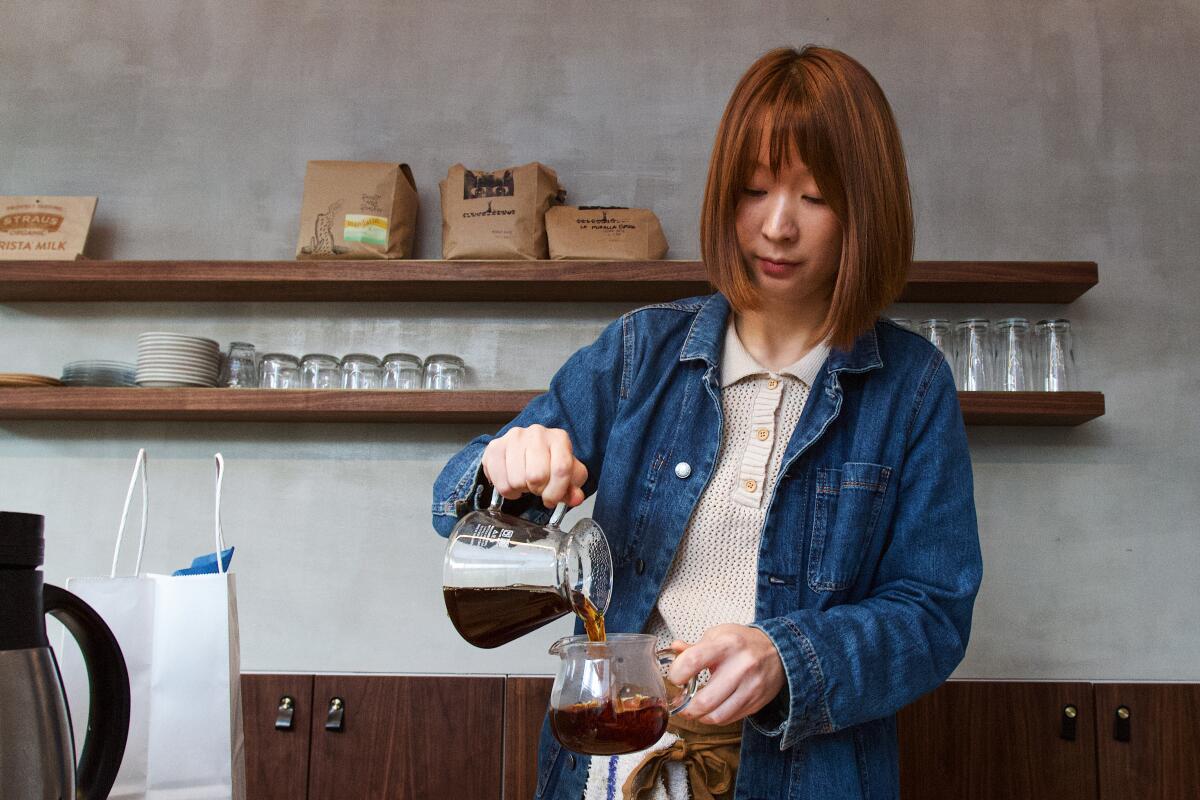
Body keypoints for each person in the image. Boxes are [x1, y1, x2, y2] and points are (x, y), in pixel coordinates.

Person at [433, 45, 982, 800]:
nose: (777, 227)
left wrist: (786, 657)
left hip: (807, 775)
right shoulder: (641, 353)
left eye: (815, 198)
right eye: (754, 190)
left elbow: (933, 615)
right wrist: (507, 470)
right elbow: (455, 503)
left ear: (867, 207)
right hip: (614, 761)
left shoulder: (911, 387)